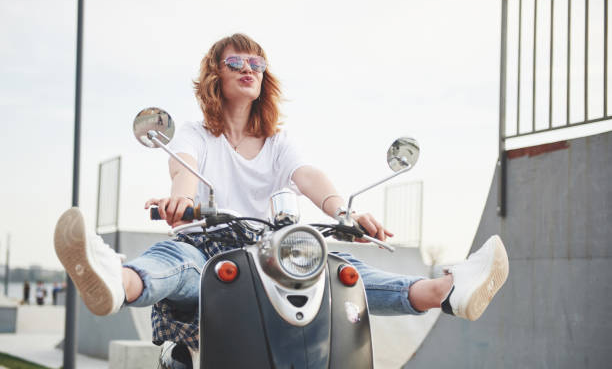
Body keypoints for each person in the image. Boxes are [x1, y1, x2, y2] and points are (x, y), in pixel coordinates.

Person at [54, 33, 508, 365]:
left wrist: (344, 212)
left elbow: (308, 177)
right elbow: (183, 171)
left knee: (339, 270)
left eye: (257, 63)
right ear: (216, 73)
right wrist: (181, 202)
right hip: (207, 247)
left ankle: (447, 291)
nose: (249, 68)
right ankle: (115, 281)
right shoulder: (196, 134)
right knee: (178, 261)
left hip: (272, 252)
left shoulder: (277, 141)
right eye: (236, 61)